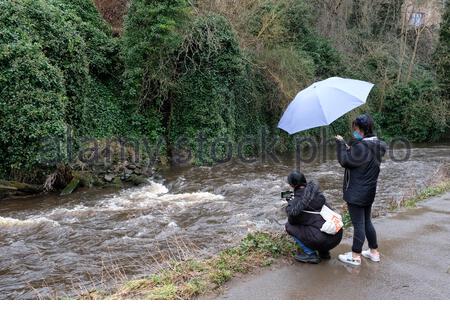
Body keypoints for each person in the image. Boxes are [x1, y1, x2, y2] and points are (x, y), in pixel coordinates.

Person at [335, 114, 387, 266]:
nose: (354, 131)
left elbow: (345, 161)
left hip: (356, 192)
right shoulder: (377, 144)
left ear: (362, 129)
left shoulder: (361, 146)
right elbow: (360, 158)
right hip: (369, 191)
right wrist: (348, 146)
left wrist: (339, 144)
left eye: (355, 129)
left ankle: (355, 255)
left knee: (359, 225)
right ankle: (374, 252)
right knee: (366, 221)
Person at [285, 171, 343, 264]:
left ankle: (310, 254)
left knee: (288, 226)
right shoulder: (317, 194)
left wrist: (290, 203)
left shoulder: (296, 202)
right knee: (317, 222)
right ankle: (324, 253)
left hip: (323, 240)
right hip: (337, 235)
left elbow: (292, 221)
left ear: (292, 185)